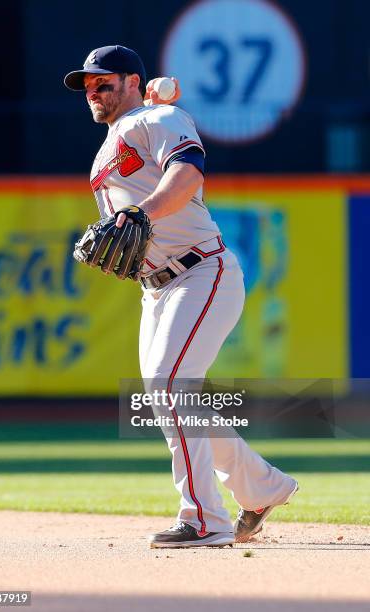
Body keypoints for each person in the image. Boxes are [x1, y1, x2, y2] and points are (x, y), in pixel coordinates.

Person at [64, 45, 298, 548]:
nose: (92, 92)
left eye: (103, 82)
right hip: (158, 288)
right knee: (170, 395)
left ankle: (204, 520)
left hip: (201, 270)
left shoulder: (161, 116)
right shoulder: (108, 149)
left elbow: (188, 172)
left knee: (170, 386)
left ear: (132, 81)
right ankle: (262, 488)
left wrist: (141, 210)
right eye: (87, 86)